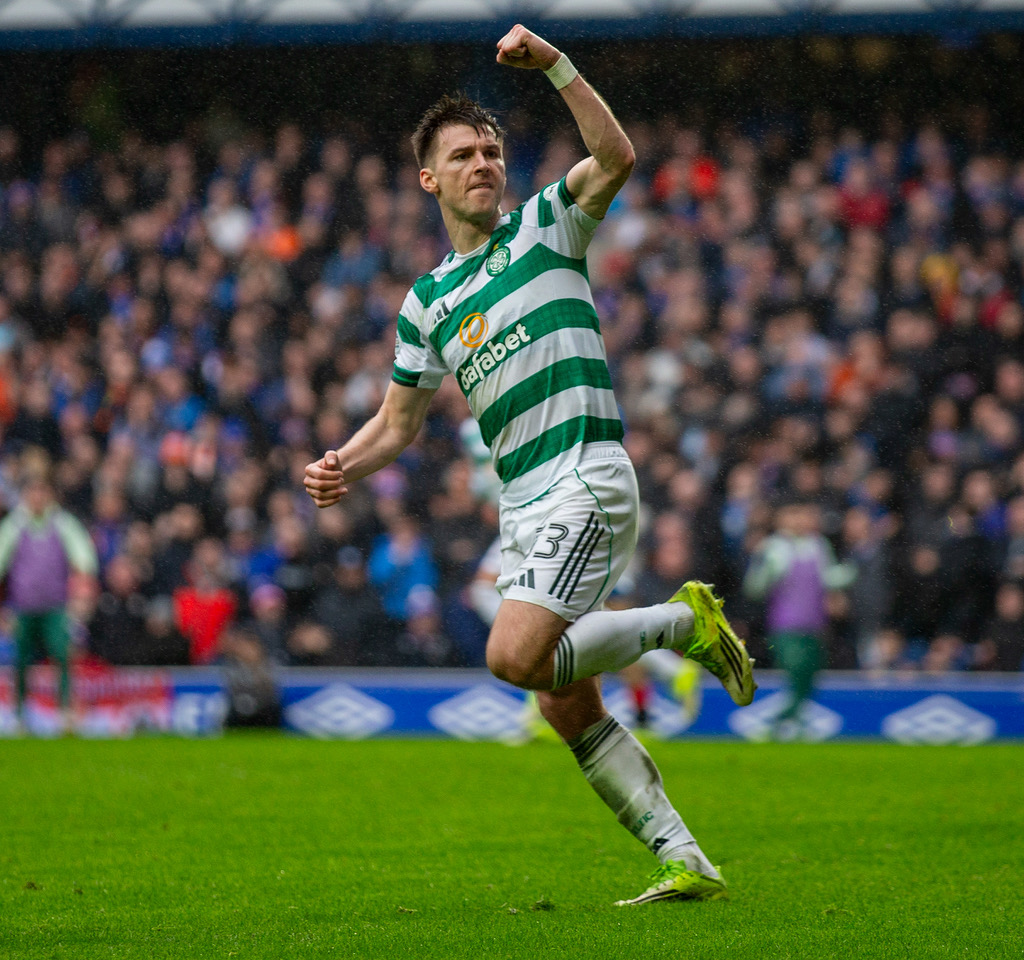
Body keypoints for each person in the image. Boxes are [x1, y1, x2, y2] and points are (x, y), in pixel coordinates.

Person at [304, 24, 755, 907]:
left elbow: (616, 154)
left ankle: (677, 624)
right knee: (562, 700)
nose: (484, 164)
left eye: (492, 151)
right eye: (464, 155)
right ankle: (683, 857)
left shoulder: (546, 228)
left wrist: (553, 64)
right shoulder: (427, 301)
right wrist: (341, 466)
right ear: (429, 178)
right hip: (525, 504)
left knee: (512, 655)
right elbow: (398, 423)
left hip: (586, 472)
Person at [743, 499, 855, 736]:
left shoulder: (818, 545)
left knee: (809, 676)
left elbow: (828, 578)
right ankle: (780, 720)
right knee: (796, 669)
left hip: (814, 624)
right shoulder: (773, 547)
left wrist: (851, 572)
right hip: (786, 625)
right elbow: (754, 588)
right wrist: (767, 570)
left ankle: (788, 723)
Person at [0, 471, 98, 733]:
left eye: (42, 491)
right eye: (33, 491)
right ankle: (19, 714)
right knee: (20, 660)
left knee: (63, 656)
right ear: (25, 495)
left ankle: (66, 714)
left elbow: (85, 560)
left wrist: (81, 595)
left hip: (56, 607)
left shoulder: (63, 523)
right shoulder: (14, 525)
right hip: (22, 607)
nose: (38, 497)